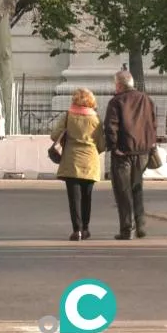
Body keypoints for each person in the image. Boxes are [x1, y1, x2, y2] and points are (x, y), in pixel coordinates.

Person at [104, 70, 157, 240]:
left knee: (123, 191)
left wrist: (113, 147)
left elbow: (111, 126)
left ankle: (127, 229)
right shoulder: (146, 99)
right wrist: (151, 144)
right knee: (137, 187)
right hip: (143, 151)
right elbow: (153, 123)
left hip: (123, 152)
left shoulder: (115, 102)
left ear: (119, 85)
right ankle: (140, 226)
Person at [50, 88, 106, 241]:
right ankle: (86, 228)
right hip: (90, 162)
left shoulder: (68, 115)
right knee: (87, 197)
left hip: (71, 161)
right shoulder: (96, 119)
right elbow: (101, 144)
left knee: (74, 198)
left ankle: (77, 230)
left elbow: (54, 135)